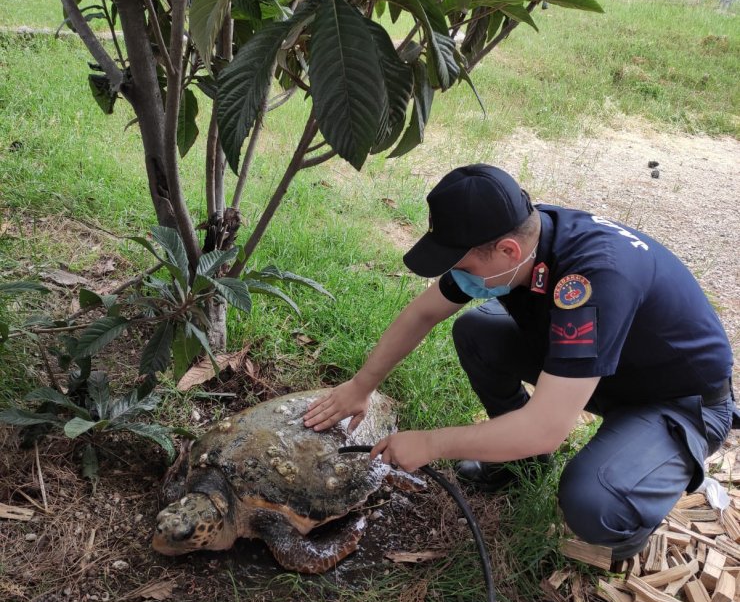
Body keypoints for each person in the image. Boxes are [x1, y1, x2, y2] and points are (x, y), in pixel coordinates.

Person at [304, 164, 736, 559]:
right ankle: (519, 460)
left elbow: (546, 430)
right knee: (477, 332)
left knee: (593, 502)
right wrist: (361, 386)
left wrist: (431, 443)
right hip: (605, 369)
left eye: (462, 263)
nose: (457, 274)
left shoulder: (592, 278)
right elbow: (424, 312)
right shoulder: (523, 239)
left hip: (676, 400)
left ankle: (624, 527)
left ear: (508, 251)